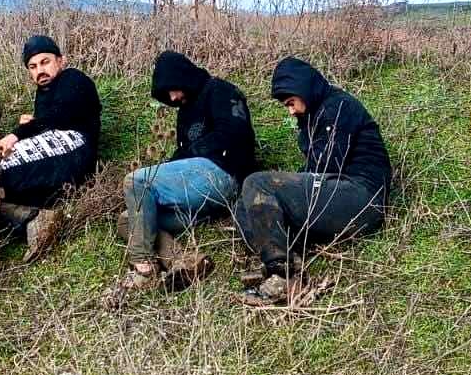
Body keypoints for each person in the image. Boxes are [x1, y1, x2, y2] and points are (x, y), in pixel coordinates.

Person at [235, 57, 391, 305]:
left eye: (291, 103)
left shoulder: (338, 107)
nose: (291, 110)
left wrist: (282, 190)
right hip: (337, 195)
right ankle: (289, 259)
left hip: (360, 198)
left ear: (303, 89)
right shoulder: (316, 115)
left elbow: (326, 166)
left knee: (258, 183)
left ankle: (282, 276)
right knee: (244, 204)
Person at [112, 51, 256, 296]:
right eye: (167, 95)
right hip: (199, 198)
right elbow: (183, 157)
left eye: (173, 89)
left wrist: (185, 157)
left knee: (137, 181)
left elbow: (237, 134)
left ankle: (143, 270)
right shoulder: (185, 110)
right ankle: (184, 261)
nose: (173, 97)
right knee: (130, 219)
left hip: (223, 176)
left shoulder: (221, 91)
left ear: (184, 76)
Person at [0, 35, 102, 277]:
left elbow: (61, 116)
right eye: (33, 67)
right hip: (56, 161)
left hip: (75, 148)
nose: (40, 71)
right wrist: (33, 125)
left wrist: (19, 132)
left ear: (61, 60)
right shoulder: (43, 93)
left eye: (45, 62)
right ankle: (34, 219)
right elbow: (45, 124)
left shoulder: (73, 78)